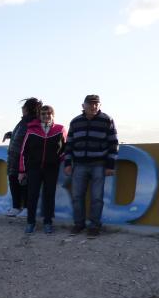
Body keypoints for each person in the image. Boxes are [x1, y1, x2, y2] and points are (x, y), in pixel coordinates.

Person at [63, 94, 118, 237]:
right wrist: (68, 163)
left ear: (100, 105)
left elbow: (113, 144)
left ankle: (94, 226)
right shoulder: (75, 122)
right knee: (77, 196)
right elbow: (69, 145)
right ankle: (78, 224)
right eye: (90, 104)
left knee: (97, 197)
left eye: (96, 104)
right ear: (83, 106)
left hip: (99, 165)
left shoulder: (107, 120)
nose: (93, 106)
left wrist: (110, 165)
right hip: (79, 165)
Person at [19, 105, 66, 234]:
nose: (46, 116)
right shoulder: (31, 130)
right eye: (43, 114)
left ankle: (48, 222)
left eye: (49, 114)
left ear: (53, 115)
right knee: (32, 195)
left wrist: (56, 160)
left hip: (51, 169)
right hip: (33, 168)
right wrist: (22, 171)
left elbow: (65, 150)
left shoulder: (60, 129)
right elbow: (24, 151)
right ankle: (30, 222)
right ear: (40, 116)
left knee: (49, 195)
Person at [4, 97, 42, 217]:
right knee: (13, 180)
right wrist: (11, 134)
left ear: (28, 109)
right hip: (14, 158)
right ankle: (16, 207)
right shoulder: (23, 121)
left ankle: (26, 207)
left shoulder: (34, 123)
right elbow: (20, 135)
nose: (22, 109)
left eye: (23, 107)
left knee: (25, 183)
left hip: (24, 159)